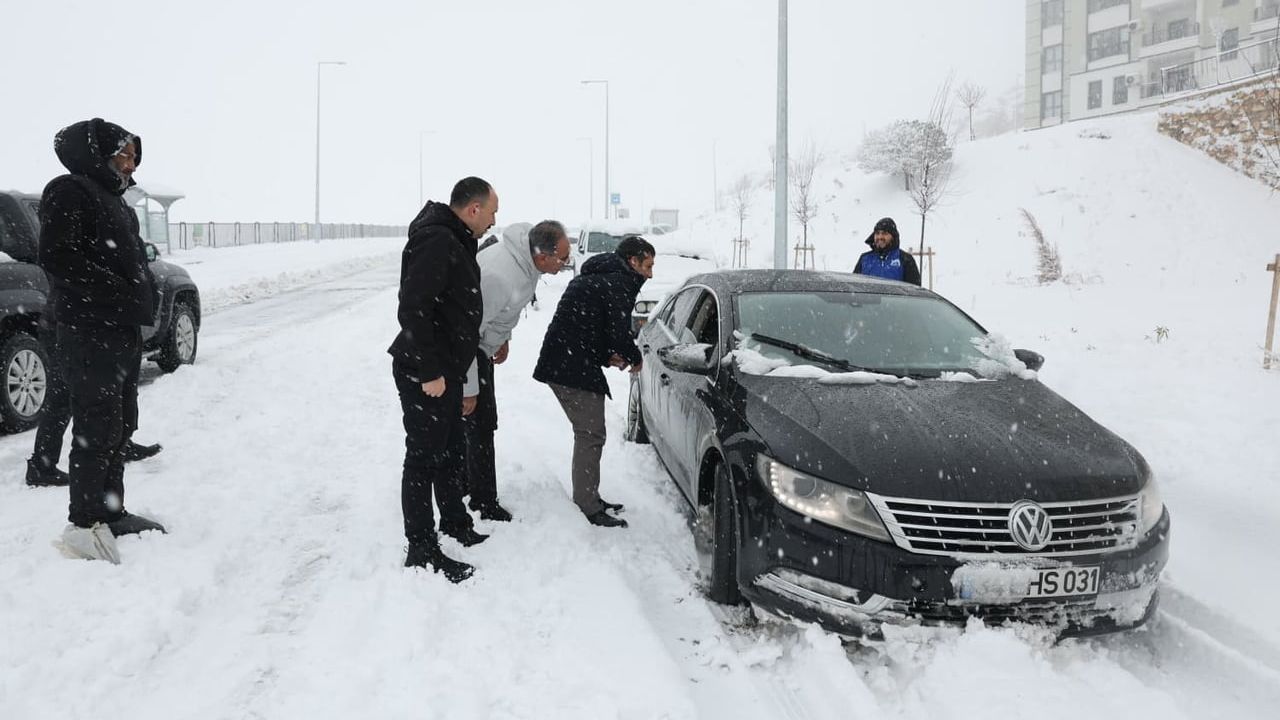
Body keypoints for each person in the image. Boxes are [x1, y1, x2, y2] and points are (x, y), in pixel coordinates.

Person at [39, 118, 166, 564]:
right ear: (96, 154)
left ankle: (112, 511)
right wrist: (121, 292)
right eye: (122, 154)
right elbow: (58, 257)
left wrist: (138, 296)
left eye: (134, 155)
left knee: (120, 423)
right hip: (88, 329)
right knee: (96, 425)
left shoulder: (116, 201)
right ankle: (84, 523)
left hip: (119, 328)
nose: (130, 164)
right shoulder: (70, 190)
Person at [388, 176, 498, 582]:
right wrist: (430, 371)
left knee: (451, 450)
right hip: (426, 372)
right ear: (474, 209)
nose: (493, 221)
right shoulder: (437, 238)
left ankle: (454, 521)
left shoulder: (457, 238)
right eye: (492, 212)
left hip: (447, 369)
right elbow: (413, 306)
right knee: (423, 458)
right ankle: (421, 548)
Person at [533, 236, 654, 529]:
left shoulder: (600, 277)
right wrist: (635, 358)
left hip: (567, 360)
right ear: (633, 262)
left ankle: (590, 497)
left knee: (590, 433)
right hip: (569, 366)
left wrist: (605, 356)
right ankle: (587, 505)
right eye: (648, 266)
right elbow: (618, 332)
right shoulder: (618, 282)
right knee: (590, 434)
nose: (650, 274)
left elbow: (588, 326)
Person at [461, 220, 572, 522]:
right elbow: (465, 334)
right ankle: (482, 501)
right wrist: (468, 388)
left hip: (481, 345)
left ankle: (465, 485)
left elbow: (503, 310)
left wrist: (503, 338)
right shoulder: (500, 275)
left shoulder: (525, 260)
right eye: (562, 258)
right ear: (543, 256)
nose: (566, 263)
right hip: (467, 351)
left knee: (478, 423)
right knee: (479, 424)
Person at [26, 306, 162, 488]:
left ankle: (121, 444)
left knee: (116, 388)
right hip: (68, 326)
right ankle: (42, 466)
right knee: (63, 397)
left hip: (96, 323)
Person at [852, 217, 921, 286]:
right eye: (877, 233)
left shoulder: (905, 259)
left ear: (893, 236)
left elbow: (914, 289)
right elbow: (854, 286)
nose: (880, 237)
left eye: (884, 233)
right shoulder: (865, 259)